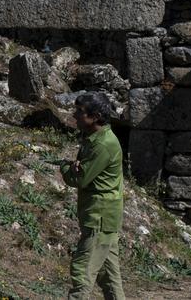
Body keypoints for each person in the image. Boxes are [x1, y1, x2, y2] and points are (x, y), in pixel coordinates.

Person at [61, 91, 125, 300]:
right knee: (109, 276)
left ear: (95, 116)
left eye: (80, 112)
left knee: (83, 272)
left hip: (100, 216)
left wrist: (65, 168)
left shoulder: (103, 144)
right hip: (101, 216)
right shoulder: (94, 138)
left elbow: (79, 179)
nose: (74, 115)